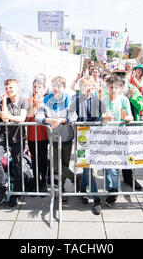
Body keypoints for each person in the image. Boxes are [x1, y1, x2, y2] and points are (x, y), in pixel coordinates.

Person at [35, 76, 78, 202]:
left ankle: (61, 189)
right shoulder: (47, 98)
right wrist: (48, 120)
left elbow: (73, 116)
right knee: (56, 165)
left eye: (59, 86)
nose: (56, 88)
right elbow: (38, 116)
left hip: (67, 138)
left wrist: (61, 120)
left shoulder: (69, 98)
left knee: (64, 164)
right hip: (53, 138)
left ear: (64, 87)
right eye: (54, 85)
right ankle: (75, 178)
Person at [70, 76, 106, 215]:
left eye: (90, 85)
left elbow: (99, 116)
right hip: (81, 137)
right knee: (87, 166)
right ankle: (96, 198)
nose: (88, 88)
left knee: (87, 166)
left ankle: (82, 190)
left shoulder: (96, 100)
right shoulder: (76, 99)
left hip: (93, 136)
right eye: (84, 86)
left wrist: (101, 98)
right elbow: (72, 114)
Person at [0, 79, 28, 208]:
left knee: (18, 167)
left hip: (18, 138)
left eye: (11, 88)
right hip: (3, 137)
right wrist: (5, 106)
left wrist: (9, 116)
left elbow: (21, 118)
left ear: (18, 88)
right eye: (7, 88)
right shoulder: (3, 102)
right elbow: (5, 119)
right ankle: (2, 186)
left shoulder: (23, 100)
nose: (9, 90)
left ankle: (15, 194)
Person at [102, 74, 134, 207]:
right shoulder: (103, 99)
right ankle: (111, 187)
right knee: (107, 165)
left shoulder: (124, 100)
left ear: (120, 88)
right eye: (111, 87)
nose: (113, 90)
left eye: (116, 87)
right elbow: (99, 116)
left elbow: (130, 117)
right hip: (105, 135)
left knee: (114, 165)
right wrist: (104, 118)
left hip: (119, 135)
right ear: (108, 87)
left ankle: (113, 190)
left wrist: (126, 117)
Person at [27, 79, 49, 193]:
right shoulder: (29, 100)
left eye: (39, 87)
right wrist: (34, 104)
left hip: (44, 136)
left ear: (44, 89)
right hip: (31, 136)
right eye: (35, 87)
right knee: (34, 160)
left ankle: (44, 182)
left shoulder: (47, 101)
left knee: (43, 160)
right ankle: (36, 181)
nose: (36, 89)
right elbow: (28, 117)